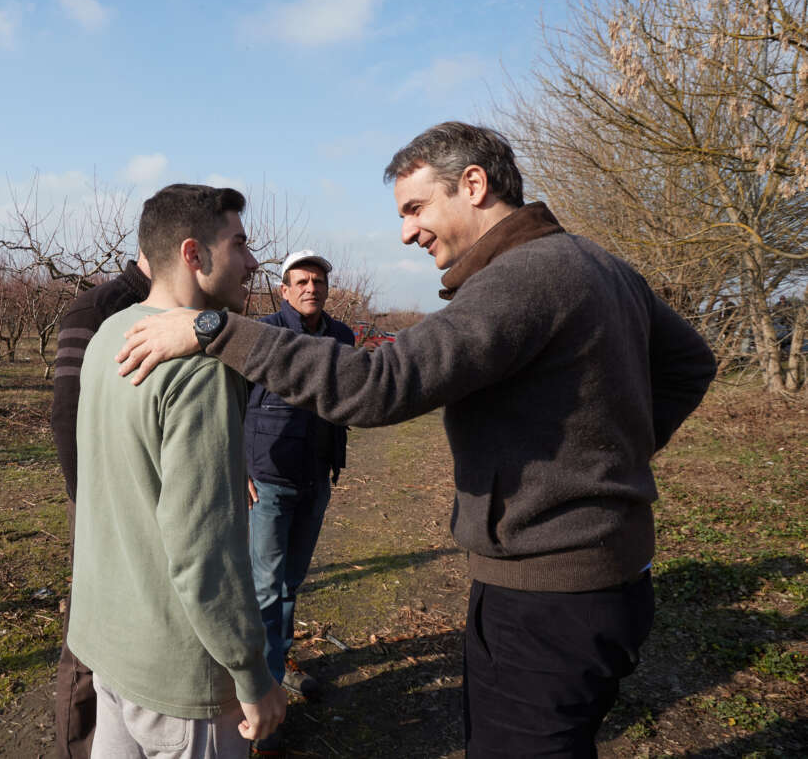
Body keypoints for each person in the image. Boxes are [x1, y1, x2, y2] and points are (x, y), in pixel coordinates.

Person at [114, 123, 717, 757]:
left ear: (474, 185)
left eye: (415, 208)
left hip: (548, 594)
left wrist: (216, 329)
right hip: (599, 578)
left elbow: (379, 384)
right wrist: (605, 456)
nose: (406, 231)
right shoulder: (598, 263)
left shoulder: (522, 278)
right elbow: (689, 365)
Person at [67, 183, 287, 757]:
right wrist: (252, 676)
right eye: (239, 244)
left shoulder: (109, 335)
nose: (252, 261)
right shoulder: (199, 369)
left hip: (108, 647)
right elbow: (204, 550)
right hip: (180, 674)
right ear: (195, 254)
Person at [242, 249, 352, 753]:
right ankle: (260, 701)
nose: (311, 288)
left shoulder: (341, 337)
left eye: (318, 281)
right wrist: (237, 466)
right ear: (284, 290)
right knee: (265, 588)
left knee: (290, 582)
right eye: (301, 281)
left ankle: (277, 667)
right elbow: (232, 403)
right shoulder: (261, 333)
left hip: (315, 477)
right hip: (267, 479)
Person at [50, 254, 151, 759]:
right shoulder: (94, 309)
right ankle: (78, 745)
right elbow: (65, 415)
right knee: (87, 633)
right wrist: (87, 502)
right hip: (97, 497)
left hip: (137, 493)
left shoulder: (170, 309)